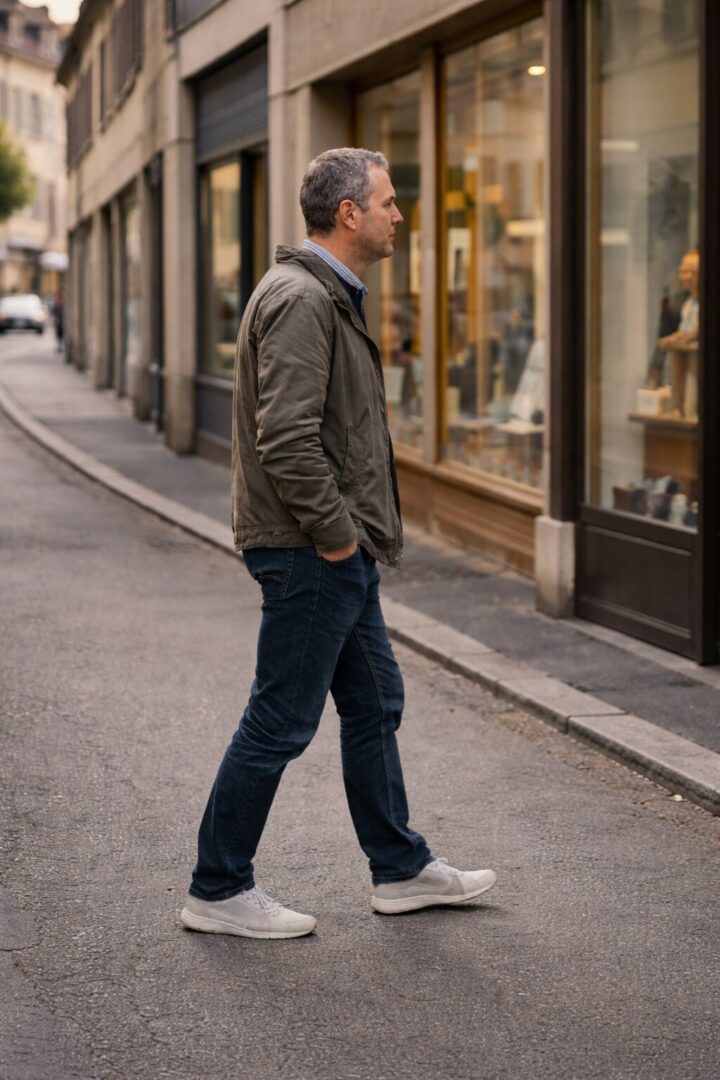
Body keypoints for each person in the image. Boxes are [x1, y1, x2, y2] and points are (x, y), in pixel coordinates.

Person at [180, 148, 496, 940]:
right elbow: (285, 439)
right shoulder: (301, 299)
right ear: (348, 214)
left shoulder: (324, 295)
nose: (399, 215)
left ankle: (400, 868)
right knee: (280, 720)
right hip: (307, 548)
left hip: (326, 548)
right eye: (387, 203)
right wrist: (334, 540)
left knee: (374, 700)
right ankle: (218, 887)